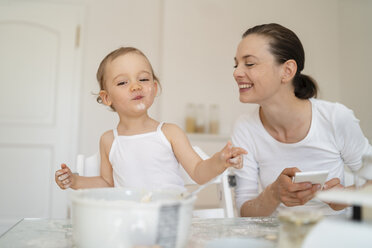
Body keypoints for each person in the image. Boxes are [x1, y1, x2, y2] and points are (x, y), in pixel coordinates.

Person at [55, 47, 247, 191]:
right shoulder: (108, 140)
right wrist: (75, 180)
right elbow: (107, 183)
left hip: (170, 219)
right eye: (123, 82)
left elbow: (198, 172)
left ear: (154, 88)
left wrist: (219, 161)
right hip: (131, 223)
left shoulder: (170, 133)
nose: (136, 86)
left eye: (144, 79)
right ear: (107, 98)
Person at [231, 23, 372, 217]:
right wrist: (273, 194)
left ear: (287, 71)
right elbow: (245, 212)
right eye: (236, 64)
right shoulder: (245, 127)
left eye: (249, 63)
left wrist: (345, 196)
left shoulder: (335, 118)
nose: (237, 72)